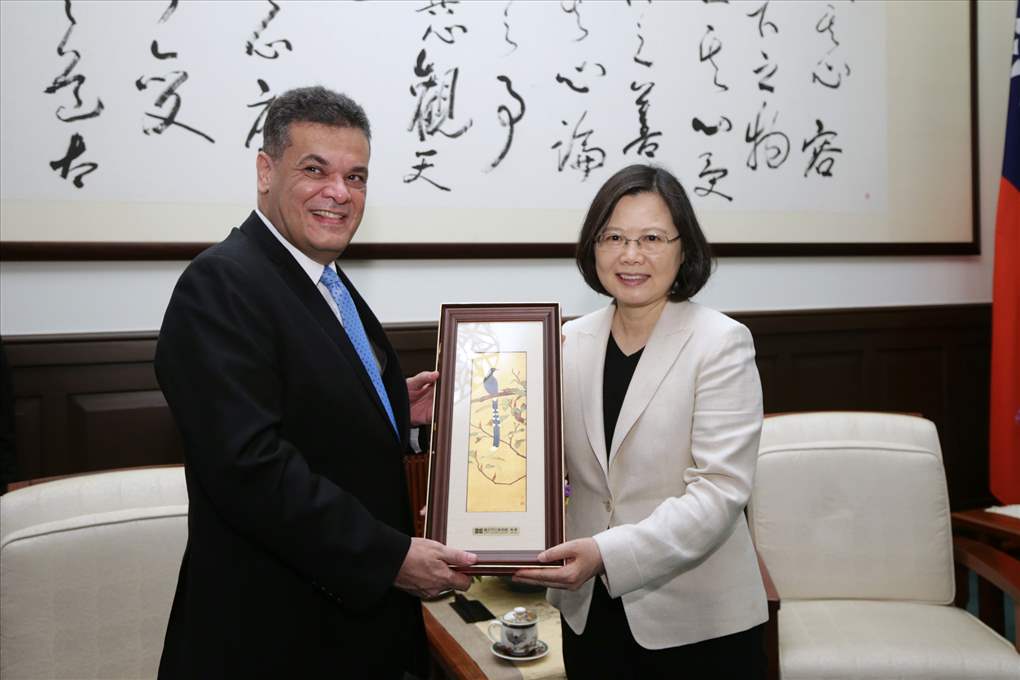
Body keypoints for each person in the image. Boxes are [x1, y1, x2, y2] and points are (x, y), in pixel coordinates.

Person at [154, 86, 476, 679]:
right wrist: (390, 558)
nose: (339, 193)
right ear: (265, 171)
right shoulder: (220, 284)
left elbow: (309, 407)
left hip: (350, 633)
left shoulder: (324, 279)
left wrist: (390, 408)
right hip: (272, 640)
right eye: (315, 170)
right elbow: (250, 467)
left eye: (356, 177)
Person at [514, 164, 767, 678]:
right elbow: (535, 460)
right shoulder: (566, 341)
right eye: (614, 238)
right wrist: (482, 505)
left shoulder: (721, 343)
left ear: (683, 248)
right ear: (593, 247)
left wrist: (605, 553)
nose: (631, 255)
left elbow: (719, 491)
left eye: (651, 238)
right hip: (589, 613)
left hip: (697, 622)